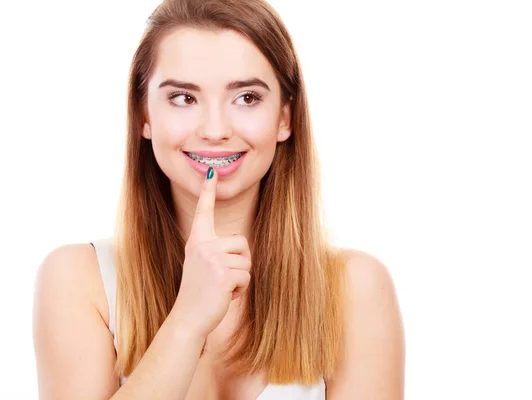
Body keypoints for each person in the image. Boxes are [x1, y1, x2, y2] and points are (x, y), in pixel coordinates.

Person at [32, 0, 405, 398]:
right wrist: (188, 321)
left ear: (284, 118)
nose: (214, 130)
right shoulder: (79, 279)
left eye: (246, 98)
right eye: (183, 98)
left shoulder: (356, 290)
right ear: (144, 115)